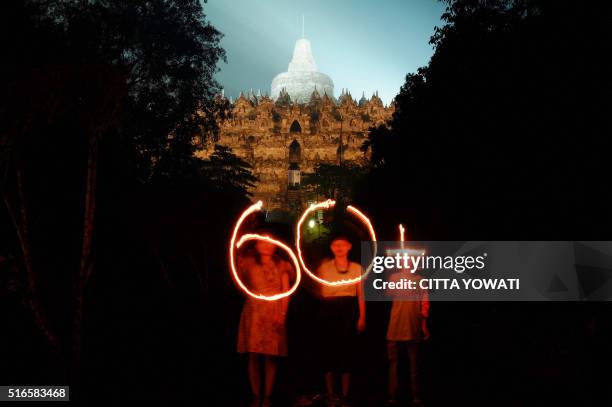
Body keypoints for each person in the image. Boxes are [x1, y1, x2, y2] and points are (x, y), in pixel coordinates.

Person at [237, 238, 293, 407]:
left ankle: (267, 396)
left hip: (274, 311)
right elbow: (237, 277)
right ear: (256, 245)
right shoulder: (247, 263)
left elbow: (286, 292)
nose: (266, 245)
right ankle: (256, 396)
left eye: (270, 242)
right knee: (253, 354)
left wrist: (282, 315)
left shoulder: (283, 264)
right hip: (253, 311)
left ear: (276, 245)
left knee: (271, 355)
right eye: (262, 242)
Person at [316, 235, 366, 407]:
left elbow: (361, 295)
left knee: (346, 353)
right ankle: (331, 395)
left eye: (342, 244)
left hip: (348, 310)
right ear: (331, 247)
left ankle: (344, 397)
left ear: (349, 246)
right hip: (329, 311)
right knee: (328, 353)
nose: (339, 248)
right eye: (336, 245)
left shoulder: (357, 268)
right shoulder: (324, 267)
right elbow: (317, 290)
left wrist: (362, 317)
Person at [385, 266, 430, 407]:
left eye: (411, 260)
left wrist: (423, 326)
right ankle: (392, 396)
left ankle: (416, 396)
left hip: (412, 325)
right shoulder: (394, 277)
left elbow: (425, 303)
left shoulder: (420, 280)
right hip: (395, 325)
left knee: (414, 363)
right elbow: (388, 294)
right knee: (394, 363)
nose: (407, 263)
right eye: (404, 260)